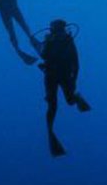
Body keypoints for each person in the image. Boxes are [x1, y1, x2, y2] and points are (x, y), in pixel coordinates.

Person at [39, 19, 91, 158]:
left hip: (63, 76)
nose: (56, 32)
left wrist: (74, 80)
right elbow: (44, 55)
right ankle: (50, 131)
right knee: (52, 104)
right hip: (52, 76)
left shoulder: (68, 41)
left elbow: (76, 62)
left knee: (69, 101)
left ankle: (76, 97)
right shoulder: (50, 40)